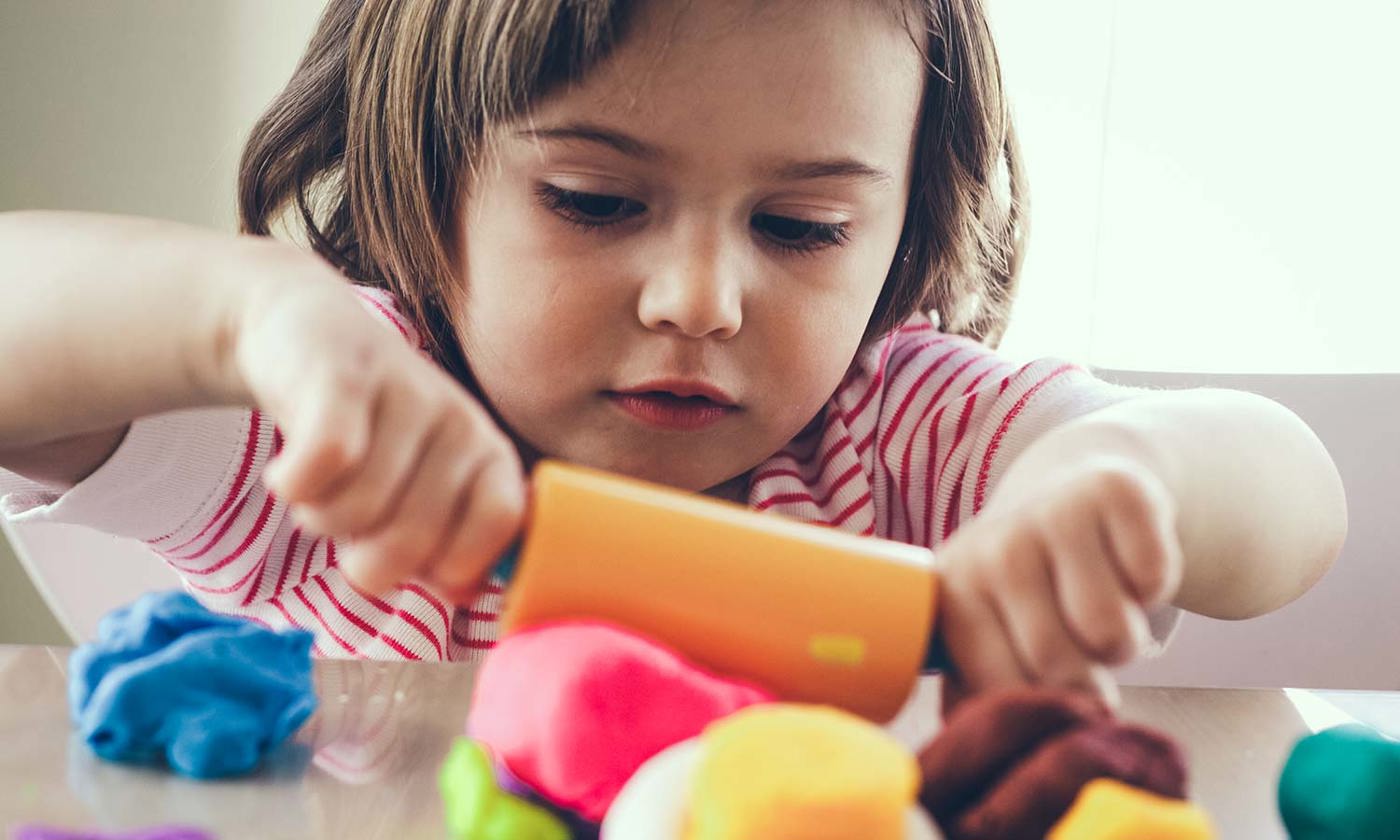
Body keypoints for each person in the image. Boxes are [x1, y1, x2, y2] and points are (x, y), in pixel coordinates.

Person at [0, 0, 1346, 703]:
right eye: (595, 201)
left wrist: (1125, 475)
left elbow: (1295, 497)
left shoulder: (904, 439)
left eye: (802, 225)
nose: (702, 298)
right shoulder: (346, 435)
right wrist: (251, 318)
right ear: (429, 179)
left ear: (901, 227)